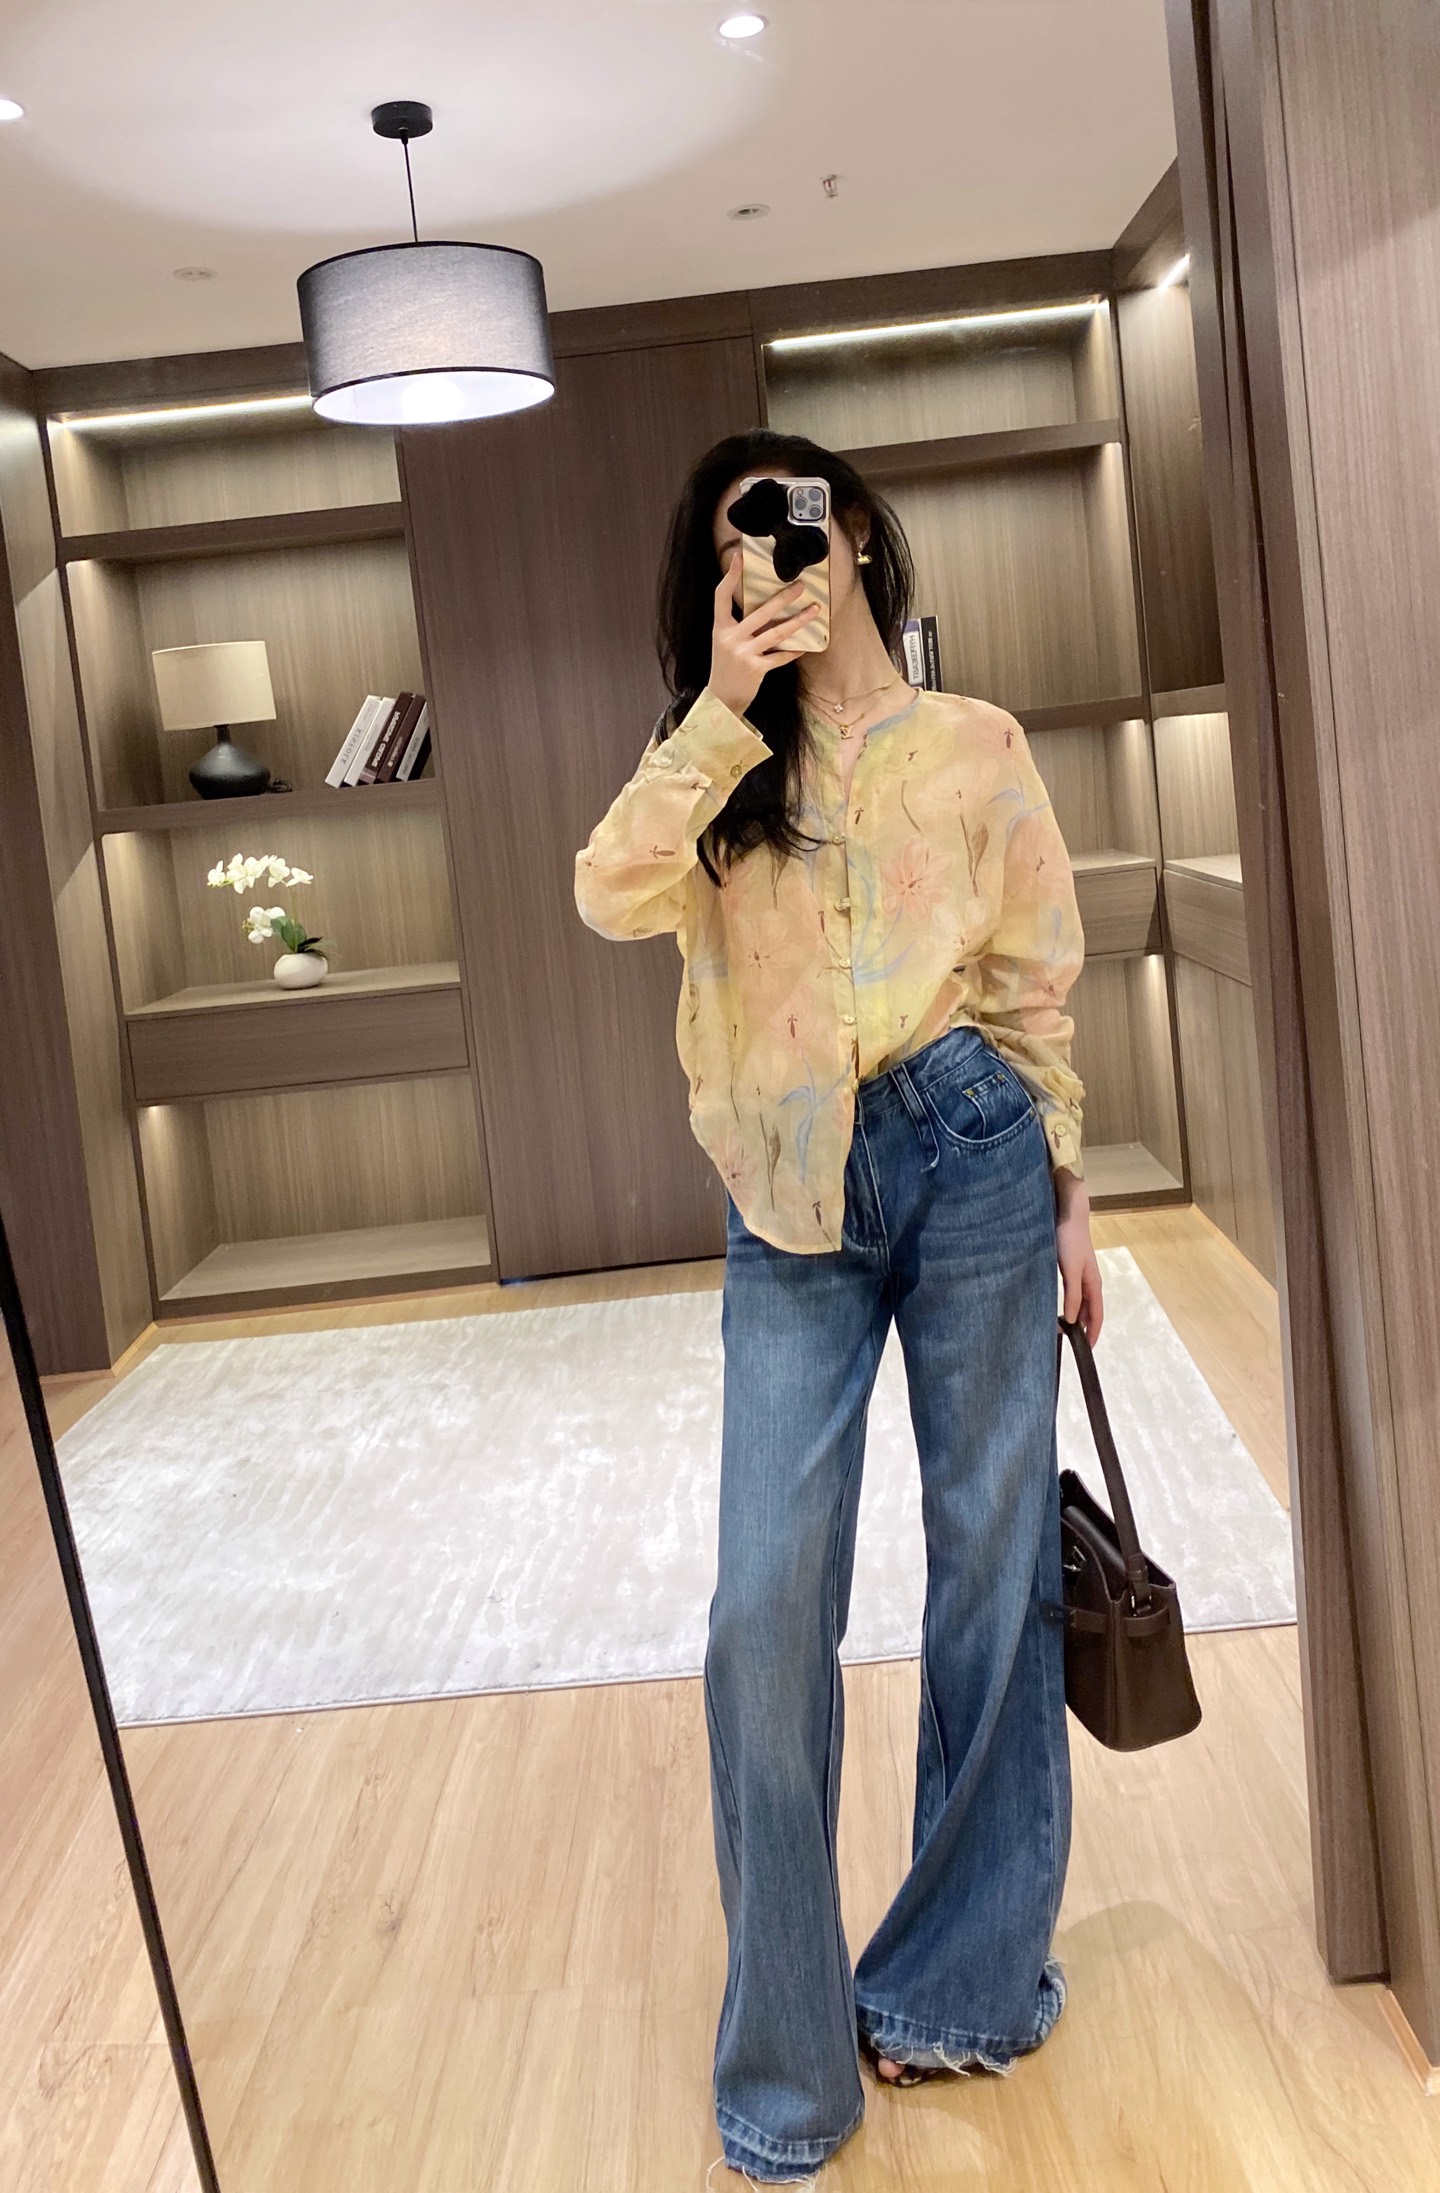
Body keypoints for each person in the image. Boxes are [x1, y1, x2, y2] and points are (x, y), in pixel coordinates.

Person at [574, 428, 1102, 2186]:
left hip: (974, 1148)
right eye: (740, 552)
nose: (776, 568)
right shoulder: (718, 768)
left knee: (993, 1566)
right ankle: (791, 2066)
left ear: (854, 532)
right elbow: (604, 891)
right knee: (762, 1610)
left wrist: (1071, 1191)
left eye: (795, 531)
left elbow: (1031, 980)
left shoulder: (977, 743)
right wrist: (722, 702)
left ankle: (959, 1981)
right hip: (785, 1197)